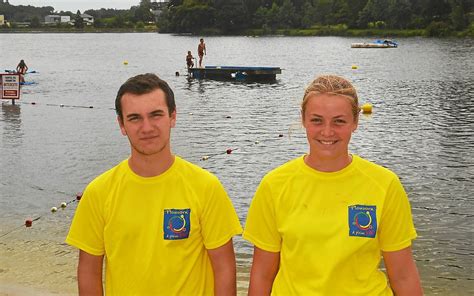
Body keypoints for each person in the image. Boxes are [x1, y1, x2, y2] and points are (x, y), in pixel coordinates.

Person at [243, 75, 423, 296]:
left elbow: (403, 274)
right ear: (303, 120)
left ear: (355, 122)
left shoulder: (385, 185)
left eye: (339, 121)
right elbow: (262, 273)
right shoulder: (274, 185)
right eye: (317, 120)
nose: (327, 131)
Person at [66, 73, 242, 295]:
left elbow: (224, 267)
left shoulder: (206, 187)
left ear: (173, 117)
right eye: (135, 118)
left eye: (156, 115)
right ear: (122, 125)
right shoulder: (98, 192)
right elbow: (89, 271)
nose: (147, 127)